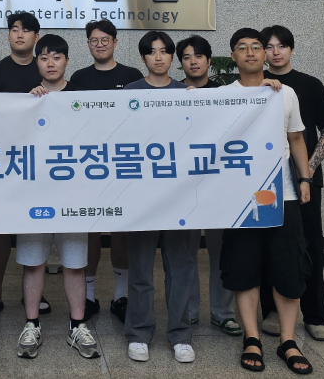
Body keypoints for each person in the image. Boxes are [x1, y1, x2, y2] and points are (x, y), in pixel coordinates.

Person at [218, 28, 313, 374]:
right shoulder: (221, 96)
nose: (250, 52)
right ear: (233, 56)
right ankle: (252, 337)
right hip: (240, 199)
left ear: (264, 54)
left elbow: (296, 139)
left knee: (288, 268)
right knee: (244, 268)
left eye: (256, 47)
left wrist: (305, 178)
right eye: (242, 48)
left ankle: (288, 340)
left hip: (281, 194)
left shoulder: (284, 93)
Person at [17, 34, 100, 360]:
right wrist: (27, 104)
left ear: (66, 60)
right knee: (33, 262)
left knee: (75, 264)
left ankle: (77, 325)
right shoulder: (25, 99)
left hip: (73, 195)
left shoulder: (81, 97)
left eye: (56, 57)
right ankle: (31, 324)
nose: (50, 63)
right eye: (44, 58)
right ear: (36, 62)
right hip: (33, 195)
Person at [259, 25, 324, 343]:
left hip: (305, 180)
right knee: (271, 245)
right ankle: (272, 311)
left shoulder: (310, 85)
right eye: (269, 46)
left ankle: (315, 316)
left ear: (291, 49)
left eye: (281, 45)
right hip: (265, 181)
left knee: (311, 246)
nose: (275, 51)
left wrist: (307, 170)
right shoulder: (256, 84)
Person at [123, 31, 197, 364]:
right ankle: (139, 333)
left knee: (181, 268)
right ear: (143, 58)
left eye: (165, 51)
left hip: (180, 195)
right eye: (152, 52)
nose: (158, 57)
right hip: (142, 197)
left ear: (172, 57)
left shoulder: (187, 93)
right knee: (140, 268)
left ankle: (181, 335)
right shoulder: (129, 93)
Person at [69, 19, 144, 323]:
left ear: (115, 42)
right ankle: (88, 297)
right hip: (88, 165)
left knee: (121, 230)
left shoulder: (132, 76)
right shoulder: (78, 77)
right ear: (88, 44)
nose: (99, 45)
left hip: (122, 163)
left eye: (105, 40)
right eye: (93, 40)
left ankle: (121, 296)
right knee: (90, 230)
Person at [0, 11, 45, 320]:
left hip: (39, 159)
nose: (20, 34)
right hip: (4, 159)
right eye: (15, 29)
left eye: (26, 30)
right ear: (8, 35)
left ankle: (34, 291)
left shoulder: (44, 67)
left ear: (36, 37)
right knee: (0, 228)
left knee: (34, 227)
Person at [176, 34, 242, 337]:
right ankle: (188, 311)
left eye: (199, 56)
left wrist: (267, 87)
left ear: (208, 59)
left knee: (221, 252)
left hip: (218, 185)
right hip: (182, 187)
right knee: (185, 253)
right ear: (181, 63)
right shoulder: (172, 93)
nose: (193, 62)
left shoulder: (225, 93)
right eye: (187, 57)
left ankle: (222, 313)